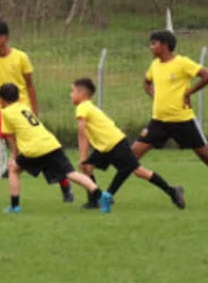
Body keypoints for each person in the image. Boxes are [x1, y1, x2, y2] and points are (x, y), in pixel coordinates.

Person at [131, 30, 208, 205]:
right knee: (131, 157)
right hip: (158, 121)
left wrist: (189, 92)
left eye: (154, 43)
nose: (151, 47)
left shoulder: (182, 63)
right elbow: (146, 83)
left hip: (183, 121)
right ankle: (108, 196)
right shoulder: (154, 65)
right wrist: (155, 96)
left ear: (165, 46)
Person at [0, 20, 72, 204]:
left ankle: (64, 184)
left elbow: (30, 85)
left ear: (4, 38)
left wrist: (34, 110)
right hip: (1, 110)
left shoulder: (21, 57)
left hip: (22, 109)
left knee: (38, 150)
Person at [71, 78, 185, 210]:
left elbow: (82, 134)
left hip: (115, 144)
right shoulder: (87, 106)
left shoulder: (82, 107)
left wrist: (82, 157)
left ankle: (172, 191)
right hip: (106, 146)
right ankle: (95, 201)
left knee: (139, 171)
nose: (70, 94)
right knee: (87, 167)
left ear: (82, 93)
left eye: (72, 91)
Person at [0, 83, 108, 213]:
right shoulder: (24, 107)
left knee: (13, 168)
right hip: (51, 143)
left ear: (1, 99)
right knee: (71, 174)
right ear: (18, 97)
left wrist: (14, 156)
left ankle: (14, 206)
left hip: (34, 149)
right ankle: (101, 195)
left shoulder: (5, 113)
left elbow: (11, 137)